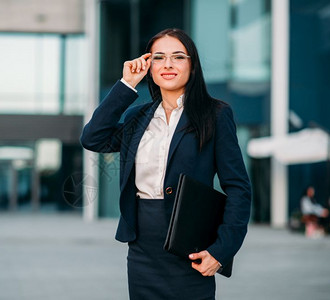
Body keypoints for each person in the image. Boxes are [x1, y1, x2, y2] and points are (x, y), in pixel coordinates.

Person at [80, 28, 251, 300]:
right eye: (159, 57)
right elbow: (93, 138)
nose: (168, 64)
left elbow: (238, 187)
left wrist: (222, 250)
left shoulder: (215, 114)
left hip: (191, 244)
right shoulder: (139, 117)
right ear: (149, 67)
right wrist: (126, 85)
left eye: (178, 57)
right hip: (142, 248)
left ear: (192, 66)